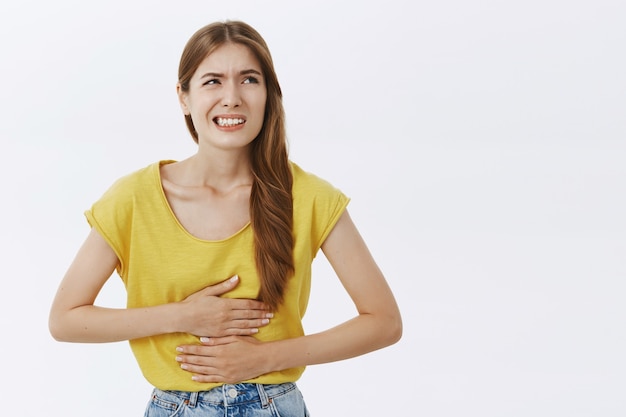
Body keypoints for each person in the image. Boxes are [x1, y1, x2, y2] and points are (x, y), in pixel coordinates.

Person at [49, 20, 402, 416]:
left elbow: (384, 321)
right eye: (212, 81)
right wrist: (182, 316)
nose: (232, 97)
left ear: (269, 94)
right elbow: (65, 319)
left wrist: (265, 358)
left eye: (249, 80)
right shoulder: (133, 199)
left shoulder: (309, 196)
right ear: (184, 97)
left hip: (273, 405)